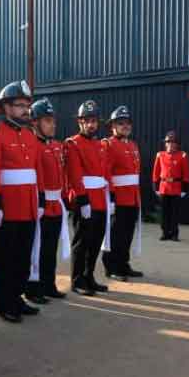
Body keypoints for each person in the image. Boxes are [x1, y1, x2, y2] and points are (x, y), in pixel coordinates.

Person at [0, 80, 44, 320]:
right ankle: (3, 302)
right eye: (19, 105)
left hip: (28, 206)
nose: (24, 110)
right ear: (6, 107)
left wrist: (40, 199)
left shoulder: (31, 135)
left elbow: (36, 171)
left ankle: (18, 296)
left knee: (23, 256)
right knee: (5, 258)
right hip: (8, 208)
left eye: (26, 105)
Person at [65, 100, 110, 296]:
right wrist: (82, 201)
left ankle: (89, 276)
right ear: (80, 122)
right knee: (82, 242)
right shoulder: (73, 143)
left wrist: (110, 197)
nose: (91, 124)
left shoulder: (100, 144)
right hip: (84, 199)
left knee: (95, 242)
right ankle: (77, 280)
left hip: (100, 198)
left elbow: (104, 173)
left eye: (94, 121)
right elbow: (74, 174)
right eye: (87, 121)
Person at [30, 98, 69, 299]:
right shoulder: (32, 145)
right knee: (37, 249)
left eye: (53, 120)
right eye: (47, 121)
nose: (53, 124)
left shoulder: (57, 145)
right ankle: (33, 288)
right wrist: (41, 201)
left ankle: (48, 284)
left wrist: (64, 199)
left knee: (50, 248)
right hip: (41, 205)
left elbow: (61, 175)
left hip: (56, 205)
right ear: (35, 122)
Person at [101, 105, 144, 281]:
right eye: (120, 123)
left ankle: (123, 264)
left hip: (132, 197)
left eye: (127, 123)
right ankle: (111, 267)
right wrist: (110, 197)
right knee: (115, 234)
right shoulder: (108, 145)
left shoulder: (132, 145)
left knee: (127, 233)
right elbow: (106, 172)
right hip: (118, 197)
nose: (125, 126)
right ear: (113, 126)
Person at [152, 131, 189, 241]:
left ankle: (174, 234)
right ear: (165, 144)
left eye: (173, 142)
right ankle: (165, 232)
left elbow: (186, 174)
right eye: (168, 142)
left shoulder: (183, 155)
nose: (171, 144)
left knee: (174, 213)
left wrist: (184, 189)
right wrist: (156, 188)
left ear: (177, 144)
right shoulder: (160, 155)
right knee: (164, 213)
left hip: (176, 187)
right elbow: (155, 173)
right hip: (164, 187)